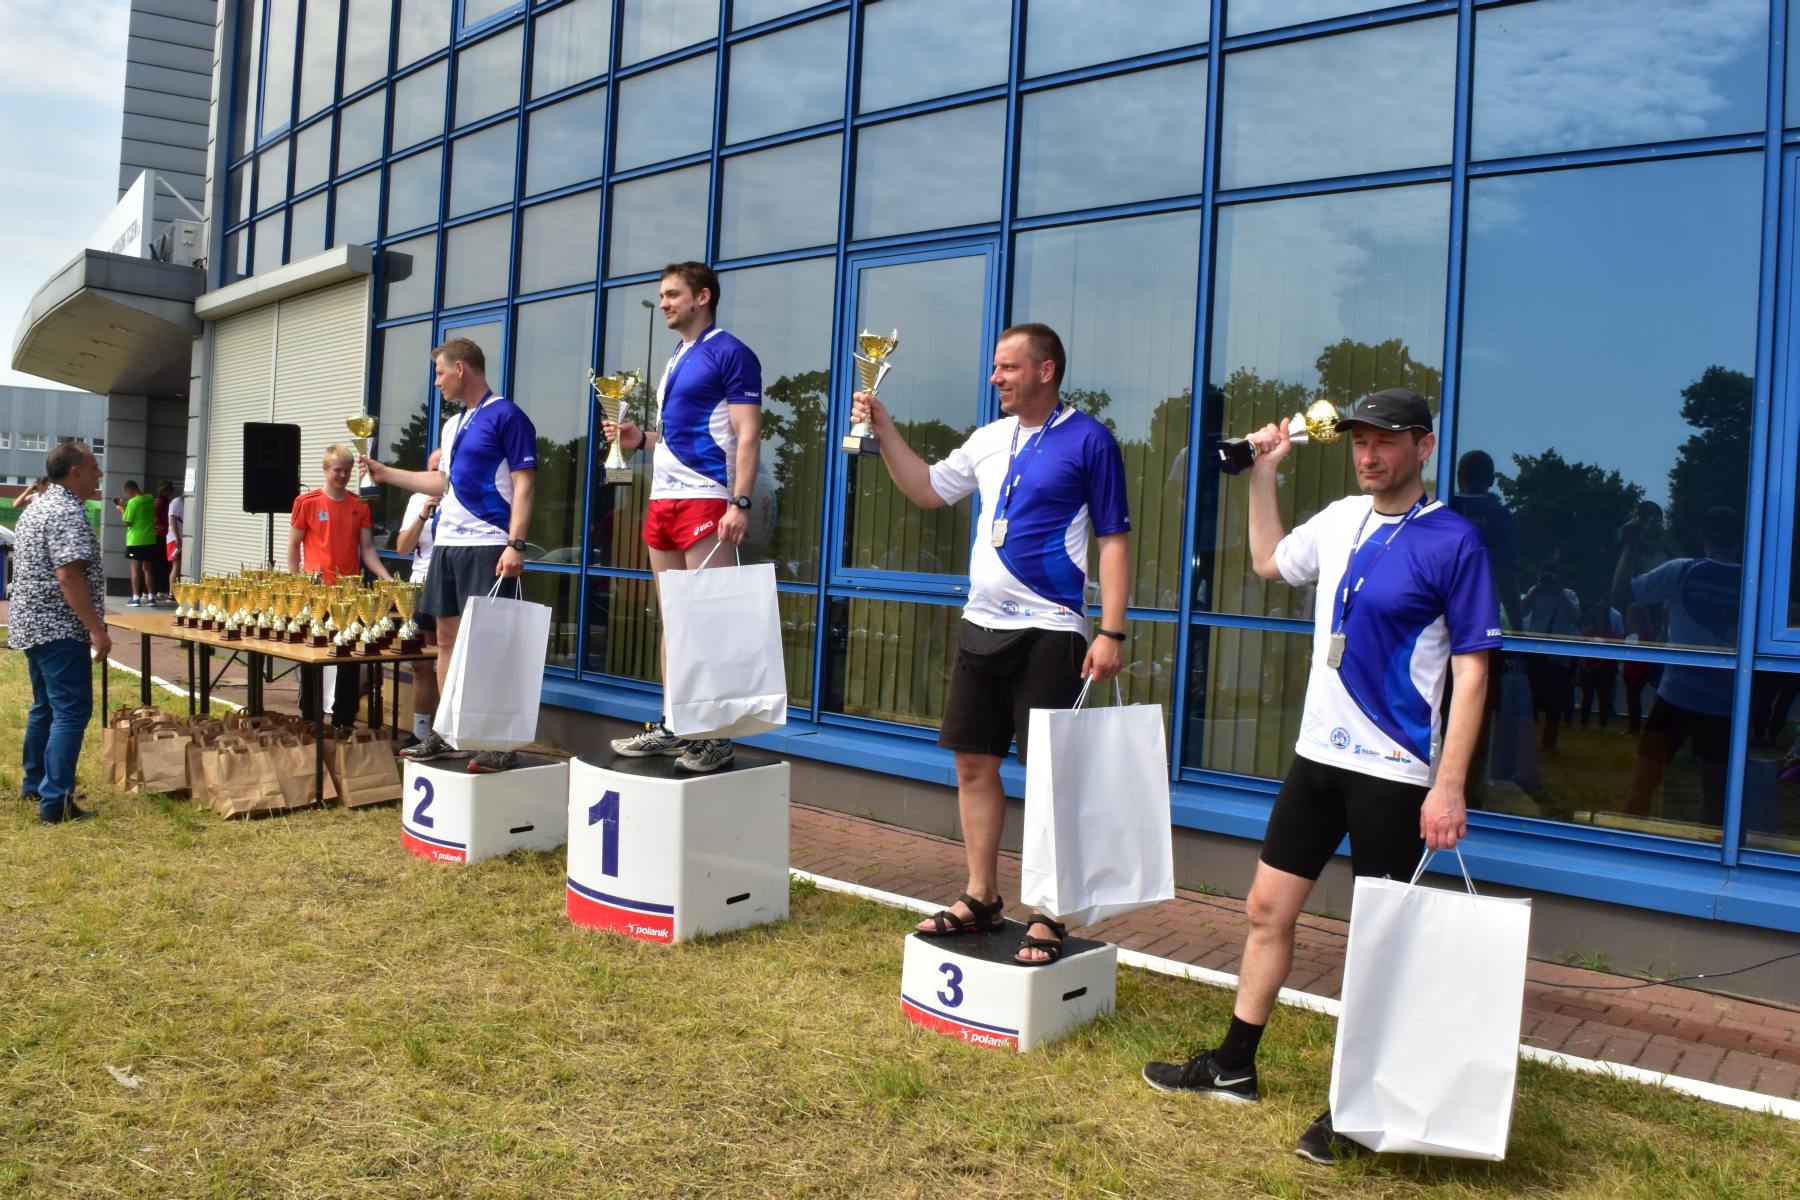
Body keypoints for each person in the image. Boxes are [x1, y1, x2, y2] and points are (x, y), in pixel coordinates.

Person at [1141, 387, 1498, 1166]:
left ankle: (1360, 1105)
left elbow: (1472, 673)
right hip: (1318, 757)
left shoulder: (1455, 540)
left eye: (1387, 441)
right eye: (1361, 440)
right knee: (1266, 908)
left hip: (1394, 769)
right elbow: (1269, 561)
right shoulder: (1341, 519)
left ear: (1424, 447)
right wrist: (1264, 473)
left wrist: (1449, 786)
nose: (1369, 454)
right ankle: (1234, 1066)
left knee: (1380, 945)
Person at [844, 323, 1129, 966]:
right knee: (974, 764)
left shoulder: (1090, 440)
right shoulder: (989, 438)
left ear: (1046, 370)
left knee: (1051, 780)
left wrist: (1111, 629)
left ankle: (1050, 911)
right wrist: (884, 431)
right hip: (981, 625)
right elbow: (927, 490)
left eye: (1008, 367)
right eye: (995, 367)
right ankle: (982, 896)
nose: (995, 377)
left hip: (1051, 628)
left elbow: (1113, 539)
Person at [605, 261, 764, 774]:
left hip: (706, 498)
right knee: (674, 620)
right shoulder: (677, 355)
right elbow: (683, 436)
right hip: (663, 499)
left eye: (673, 294)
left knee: (708, 619)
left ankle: (716, 737)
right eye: (662, 296)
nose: (665, 303)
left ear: (703, 296)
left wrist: (740, 502)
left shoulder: (730, 352)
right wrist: (640, 439)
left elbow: (747, 433)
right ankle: (677, 723)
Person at [367, 337, 538, 774]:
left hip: (488, 543)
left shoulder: (507, 415)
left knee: (490, 645)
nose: (437, 382)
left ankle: (498, 741)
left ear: (461, 369)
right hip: (447, 546)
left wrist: (515, 543)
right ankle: (448, 733)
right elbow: (442, 484)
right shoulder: (453, 425)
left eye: (440, 373)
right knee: (444, 642)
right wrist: (386, 474)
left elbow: (524, 484)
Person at [1612, 505, 1740, 825]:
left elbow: (1621, 592)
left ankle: (1626, 846)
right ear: (1739, 540)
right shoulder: (1751, 582)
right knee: (1716, 799)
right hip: (1724, 704)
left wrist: (1630, 545)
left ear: (1700, 535)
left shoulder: (1682, 570)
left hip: (1675, 697)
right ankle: (1708, 856)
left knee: (1643, 786)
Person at [8, 442, 110, 823]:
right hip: (59, 627)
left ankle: (36, 784)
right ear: (75, 472)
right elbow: (69, 575)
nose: (100, 474)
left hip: (32, 624)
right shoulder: (66, 511)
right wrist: (96, 630)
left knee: (46, 707)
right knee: (72, 709)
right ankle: (55, 800)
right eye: (95, 467)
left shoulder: (38, 506)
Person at [287, 444, 393, 728]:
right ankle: (310, 718)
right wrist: (296, 583)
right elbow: (294, 545)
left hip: (350, 595)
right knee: (313, 655)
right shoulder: (307, 502)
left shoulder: (360, 505)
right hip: (316, 594)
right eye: (337, 470)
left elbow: (367, 549)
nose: (343, 475)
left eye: (347, 470)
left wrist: (387, 578)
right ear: (325, 470)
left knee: (349, 658)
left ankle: (343, 720)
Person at [392, 449, 443, 751]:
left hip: (450, 587)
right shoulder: (417, 500)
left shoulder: (461, 497)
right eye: (432, 469)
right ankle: (421, 732)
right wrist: (423, 514)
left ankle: (447, 734)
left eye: (441, 469)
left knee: (448, 664)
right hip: (421, 586)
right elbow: (402, 548)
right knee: (421, 665)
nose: (436, 474)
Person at [114, 480, 157, 606]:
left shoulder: (133, 502)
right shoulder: (149, 498)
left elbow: (127, 522)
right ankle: (151, 597)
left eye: (126, 492)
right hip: (149, 539)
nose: (126, 495)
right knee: (148, 569)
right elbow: (139, 513)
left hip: (136, 541)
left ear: (130, 489)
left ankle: (135, 598)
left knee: (135, 570)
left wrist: (121, 509)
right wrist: (124, 505)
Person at [151, 481, 175, 603]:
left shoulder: (161, 501)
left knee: (160, 564)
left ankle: (158, 589)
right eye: (170, 489)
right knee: (161, 564)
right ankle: (159, 589)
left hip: (161, 535)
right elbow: (154, 516)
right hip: (160, 536)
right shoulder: (161, 502)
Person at [165, 486, 185, 586]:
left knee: (180, 567)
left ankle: (175, 591)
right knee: (176, 566)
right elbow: (172, 519)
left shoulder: (185, 502)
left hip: (181, 538)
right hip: (174, 539)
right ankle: (171, 592)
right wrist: (177, 538)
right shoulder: (177, 502)